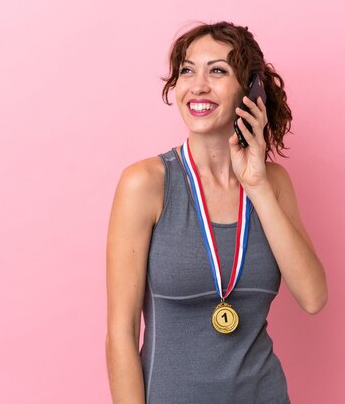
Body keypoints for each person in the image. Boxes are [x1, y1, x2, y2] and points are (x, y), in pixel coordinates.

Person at [105, 21, 328, 404]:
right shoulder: (145, 184)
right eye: (188, 70)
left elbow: (313, 297)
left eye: (218, 71)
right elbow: (120, 333)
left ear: (250, 90)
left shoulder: (272, 183)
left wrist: (256, 185)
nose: (198, 86)